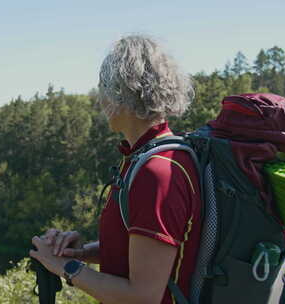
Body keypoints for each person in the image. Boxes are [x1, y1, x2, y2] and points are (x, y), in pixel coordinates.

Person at [29, 35, 201, 304]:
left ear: (124, 93)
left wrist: (65, 268)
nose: (100, 98)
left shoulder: (156, 174)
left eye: (103, 87)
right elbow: (147, 253)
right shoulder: (146, 158)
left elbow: (143, 296)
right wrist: (82, 253)